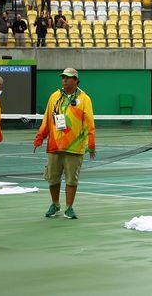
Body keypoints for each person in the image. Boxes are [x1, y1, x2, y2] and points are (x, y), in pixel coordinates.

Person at [33, 68, 96, 219]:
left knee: (71, 180)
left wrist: (91, 145)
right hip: (54, 145)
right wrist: (40, 137)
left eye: (68, 78)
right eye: (63, 77)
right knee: (53, 178)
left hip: (74, 147)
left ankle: (69, 207)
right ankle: (55, 204)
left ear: (75, 80)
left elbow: (89, 124)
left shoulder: (84, 99)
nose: (64, 80)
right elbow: (47, 119)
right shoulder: (54, 96)